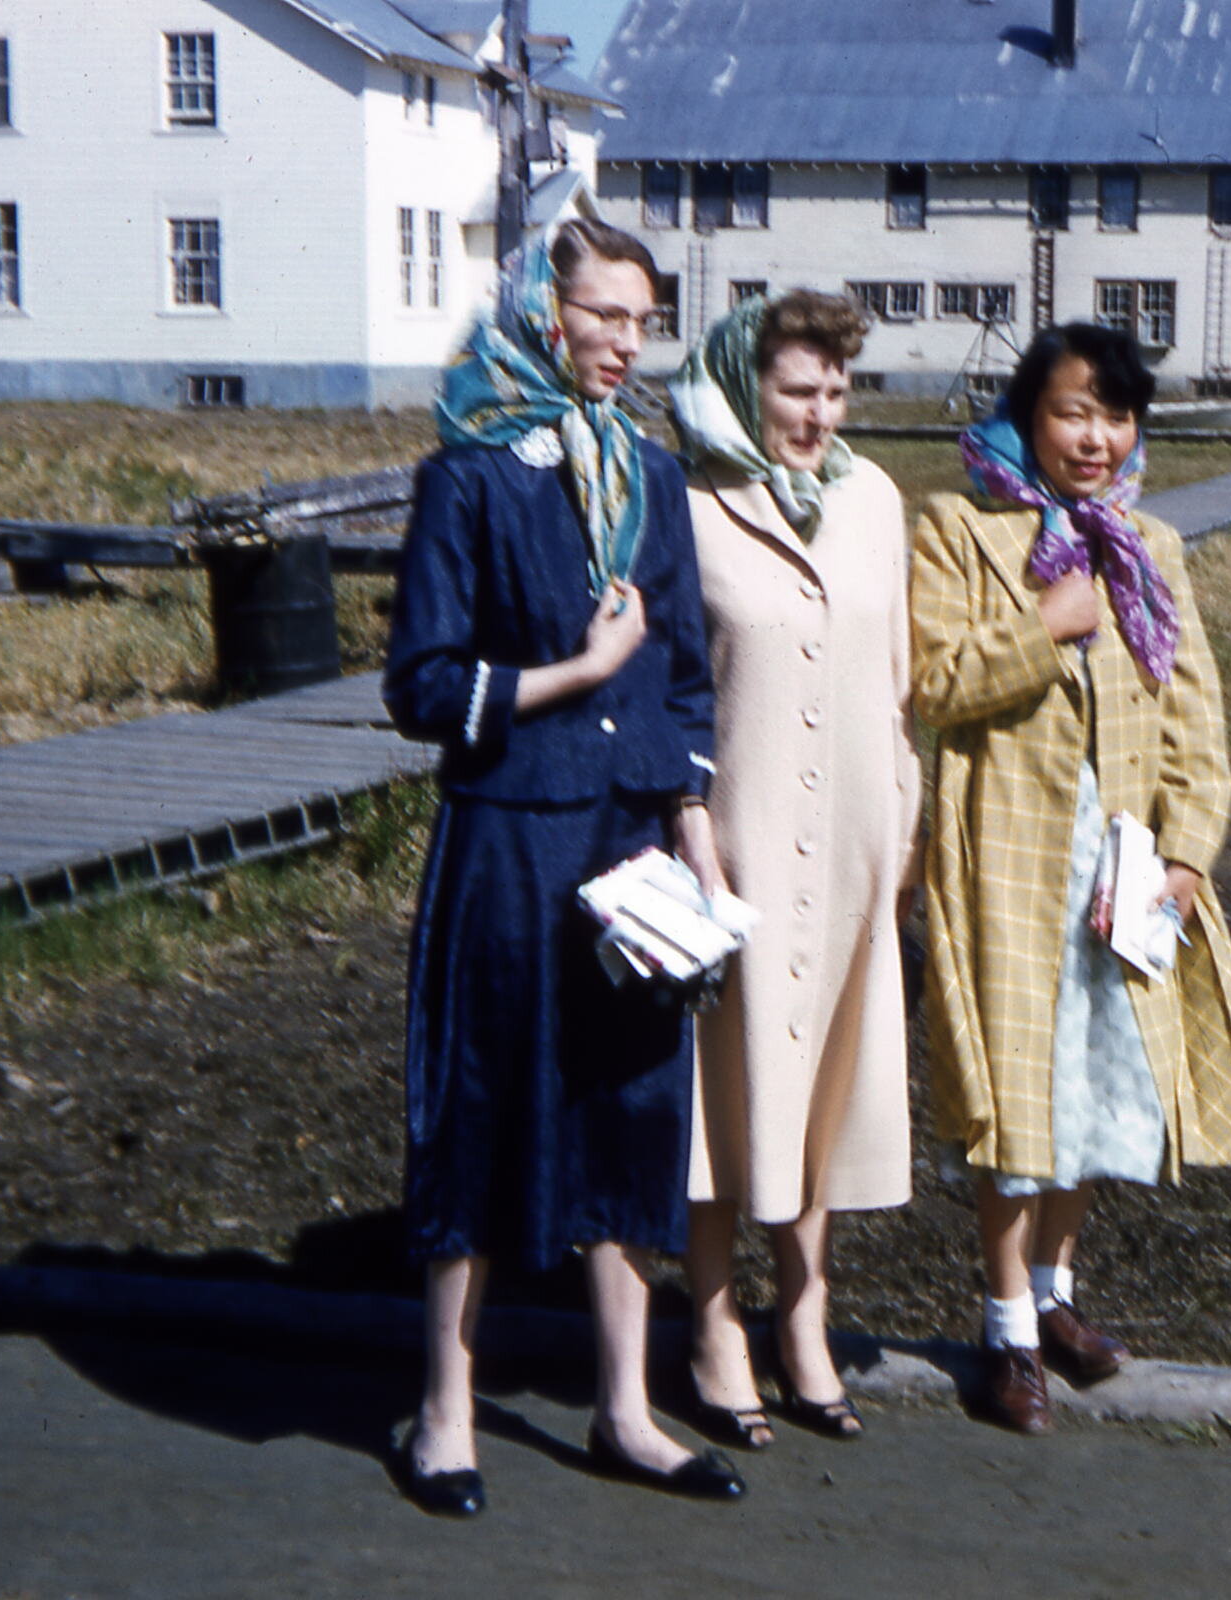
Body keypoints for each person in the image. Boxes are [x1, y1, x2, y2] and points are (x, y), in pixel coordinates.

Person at [382, 219, 744, 1511]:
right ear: (544, 311)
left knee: (629, 1110)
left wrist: (694, 828)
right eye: (603, 317)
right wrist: (576, 674)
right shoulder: (467, 476)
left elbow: (685, 678)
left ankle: (626, 1411)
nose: (625, 344)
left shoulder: (649, 472)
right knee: (479, 1106)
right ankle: (445, 1411)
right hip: (508, 839)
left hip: (628, 845)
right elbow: (419, 686)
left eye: (642, 323)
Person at [909, 323, 1231, 1435]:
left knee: (1103, 1082)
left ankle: (1057, 1298)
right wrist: (1042, 623)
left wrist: (1188, 854)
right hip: (1006, 861)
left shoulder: (1151, 547)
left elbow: (1195, 728)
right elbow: (931, 682)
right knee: (1019, 1089)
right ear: (1029, 414)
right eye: (1073, 411)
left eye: (1116, 416)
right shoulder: (960, 530)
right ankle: (1006, 1326)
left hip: (1122, 871)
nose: (1097, 437)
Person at [668, 290, 919, 1447]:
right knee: (727, 1100)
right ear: (742, 384)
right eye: (795, 391)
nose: (818, 414)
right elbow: (672, 679)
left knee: (823, 1088)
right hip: (740, 839)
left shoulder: (875, 502)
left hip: (858, 840)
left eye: (836, 390)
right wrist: (690, 827)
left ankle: (806, 1314)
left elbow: (896, 679)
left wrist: (901, 819)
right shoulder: (689, 502)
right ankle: (715, 1324)